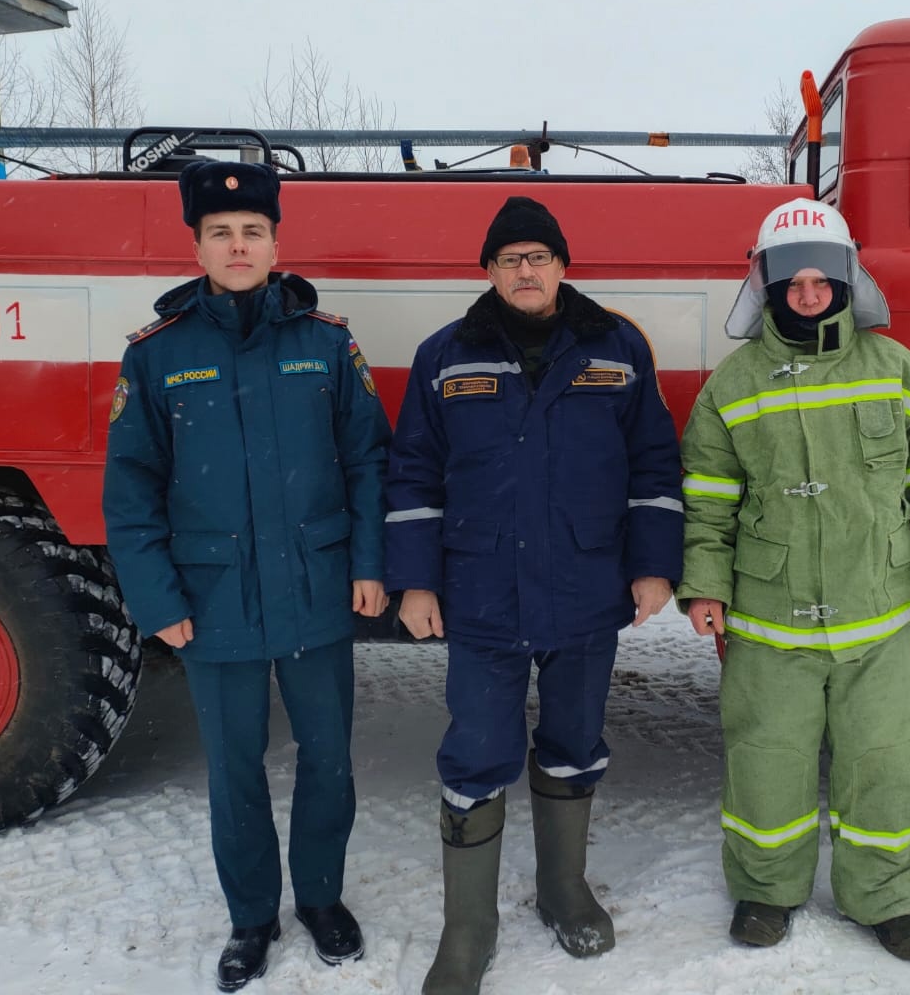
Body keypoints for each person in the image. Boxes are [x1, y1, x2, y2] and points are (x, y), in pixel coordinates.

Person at [677, 197, 910, 962]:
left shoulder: (897, 372)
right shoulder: (732, 385)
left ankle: (885, 900)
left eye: (824, 278)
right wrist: (707, 586)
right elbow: (708, 500)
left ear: (849, 280)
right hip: (766, 619)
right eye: (793, 280)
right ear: (767, 285)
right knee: (766, 760)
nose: (810, 293)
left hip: (877, 616)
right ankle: (765, 891)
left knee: (884, 763)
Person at [103, 159, 390, 992]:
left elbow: (370, 461)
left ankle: (323, 902)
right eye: (221, 233)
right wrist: (155, 598)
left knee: (328, 757)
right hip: (211, 598)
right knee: (234, 768)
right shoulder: (158, 355)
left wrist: (370, 565)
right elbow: (131, 489)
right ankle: (253, 916)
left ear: (276, 242)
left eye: (252, 232)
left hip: (316, 587)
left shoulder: (325, 341)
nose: (238, 245)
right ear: (197, 245)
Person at [385, 195, 684, 995]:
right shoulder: (444, 356)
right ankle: (469, 929)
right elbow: (413, 471)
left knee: (575, 742)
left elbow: (654, 463)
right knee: (476, 753)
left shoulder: (617, 348)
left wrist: (655, 566)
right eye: (510, 258)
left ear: (562, 267)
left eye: (539, 257)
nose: (526, 270)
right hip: (479, 590)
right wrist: (414, 579)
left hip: (587, 587)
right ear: (487, 271)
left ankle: (563, 891)